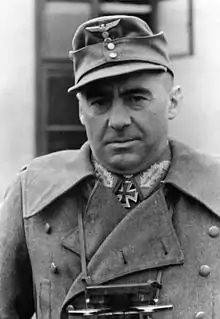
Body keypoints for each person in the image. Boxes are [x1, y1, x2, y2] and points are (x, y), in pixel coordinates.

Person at [0, 14, 220, 319]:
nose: (118, 120)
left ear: (173, 102)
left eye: (136, 98)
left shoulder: (215, 188)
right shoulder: (32, 195)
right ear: (80, 111)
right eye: (99, 102)